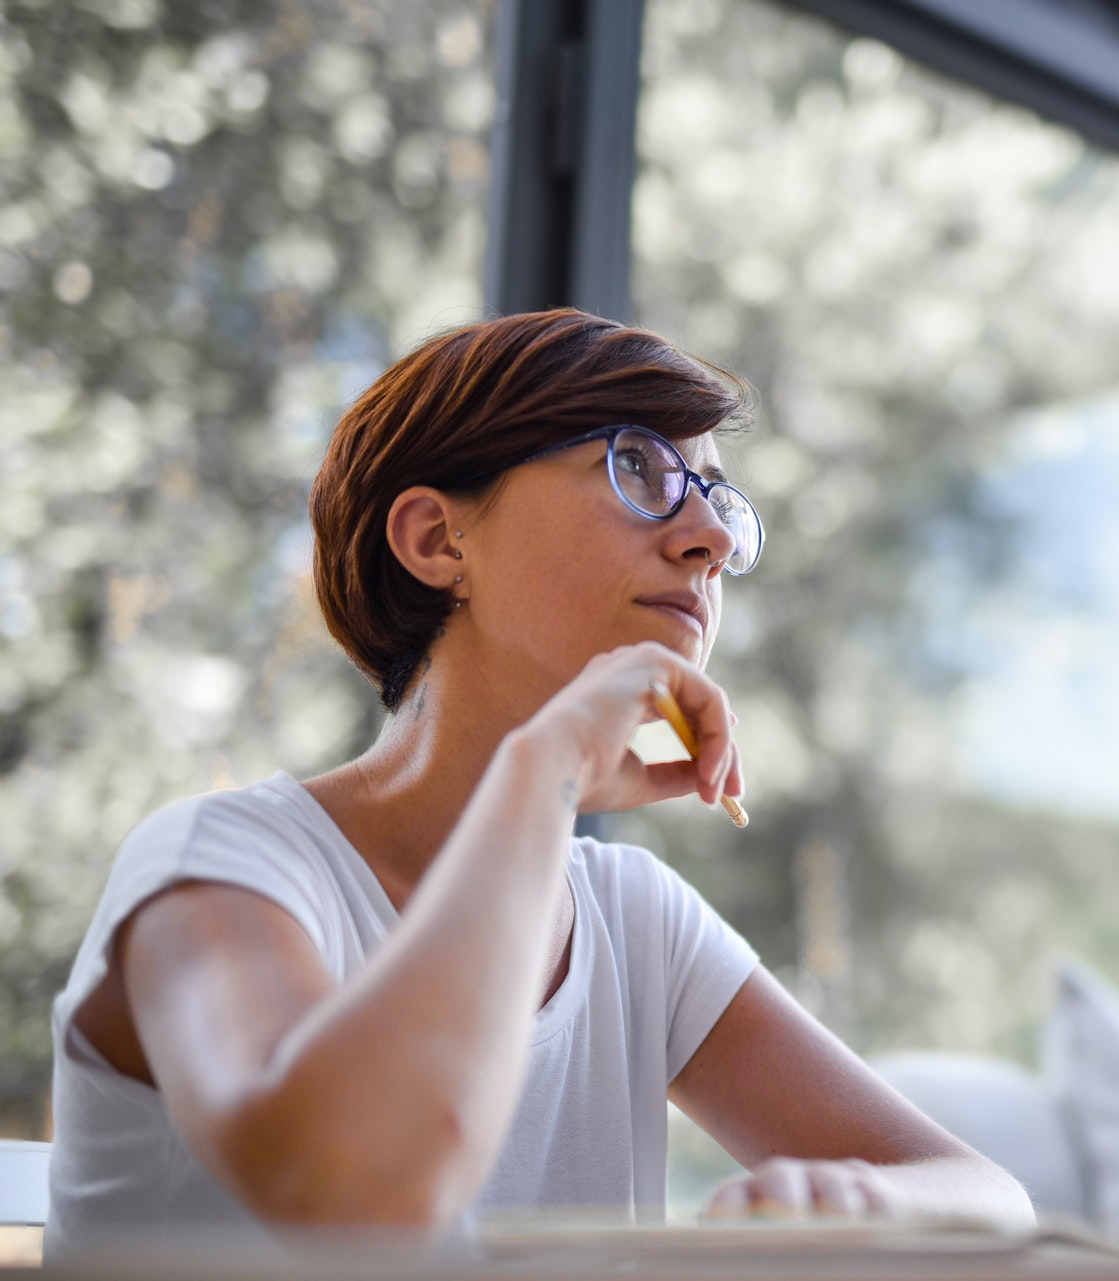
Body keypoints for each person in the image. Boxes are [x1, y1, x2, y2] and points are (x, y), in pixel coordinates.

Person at [44, 310, 1033, 1254]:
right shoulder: (220, 868)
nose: (714, 540)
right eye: (638, 467)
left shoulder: (636, 922)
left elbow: (991, 1200)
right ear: (438, 540)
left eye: (717, 498)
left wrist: (853, 1200)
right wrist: (545, 766)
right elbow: (362, 1193)